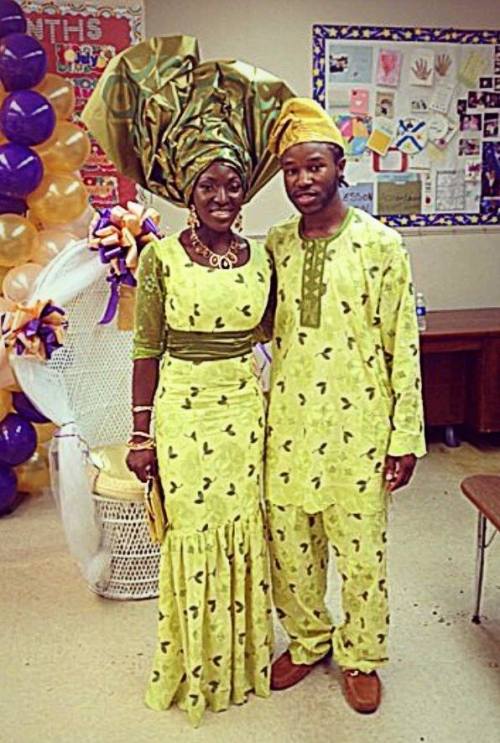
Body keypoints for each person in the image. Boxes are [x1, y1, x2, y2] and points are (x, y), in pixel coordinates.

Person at [82, 36, 293, 726]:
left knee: (241, 529)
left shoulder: (262, 258)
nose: (225, 196)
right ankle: (193, 668)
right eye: (210, 184)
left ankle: (241, 659)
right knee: (193, 533)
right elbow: (146, 348)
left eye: (234, 183)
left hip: (244, 412)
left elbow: (273, 340)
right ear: (187, 190)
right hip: (183, 413)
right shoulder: (163, 260)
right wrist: (139, 434)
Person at [263, 98, 426, 714]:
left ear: (339, 168)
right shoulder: (276, 245)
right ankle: (308, 640)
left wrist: (404, 435)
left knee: (360, 550)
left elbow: (402, 347)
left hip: (359, 425)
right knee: (290, 541)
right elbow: (253, 322)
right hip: (288, 423)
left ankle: (360, 654)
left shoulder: (382, 245)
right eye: (291, 170)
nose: (303, 181)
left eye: (315, 167)